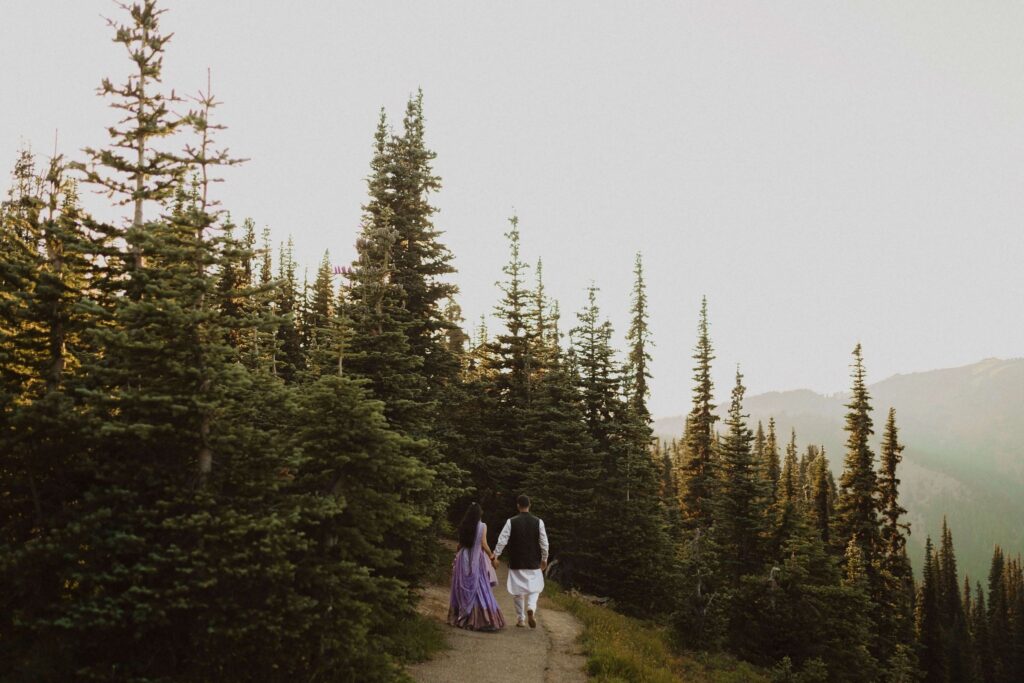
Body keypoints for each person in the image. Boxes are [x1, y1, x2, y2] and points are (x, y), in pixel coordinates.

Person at [493, 494, 548, 628]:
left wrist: (495, 555)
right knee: (535, 589)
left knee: (518, 591)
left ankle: (521, 619)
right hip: (533, 562)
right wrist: (544, 558)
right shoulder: (538, 522)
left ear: (518, 505)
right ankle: (531, 608)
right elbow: (544, 543)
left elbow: (502, 540)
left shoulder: (511, 521)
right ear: (530, 505)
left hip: (516, 561)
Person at [448, 502, 505, 631]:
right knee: (480, 586)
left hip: (463, 558)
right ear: (479, 514)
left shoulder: (464, 526)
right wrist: (492, 557)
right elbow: (483, 544)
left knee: (462, 586)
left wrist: (456, 556)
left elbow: (460, 545)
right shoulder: (482, 526)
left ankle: (460, 616)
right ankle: (482, 618)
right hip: (476, 559)